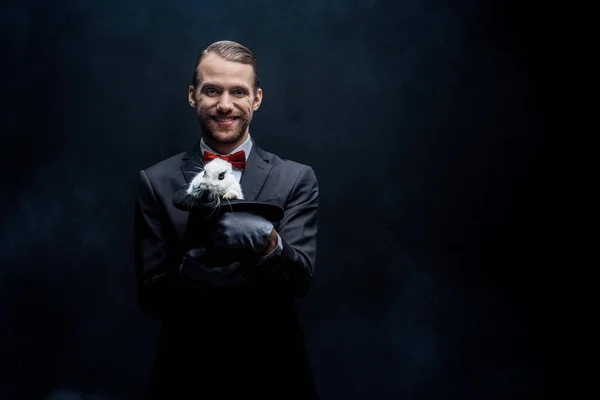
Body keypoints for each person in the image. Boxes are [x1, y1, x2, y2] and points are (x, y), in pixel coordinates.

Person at [133, 40, 320, 399]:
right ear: (192, 95)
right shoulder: (155, 181)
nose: (224, 104)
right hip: (184, 375)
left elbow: (300, 281)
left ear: (257, 99)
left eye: (238, 91)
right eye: (212, 91)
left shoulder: (296, 178)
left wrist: (271, 243)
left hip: (275, 375)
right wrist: (191, 272)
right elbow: (150, 297)